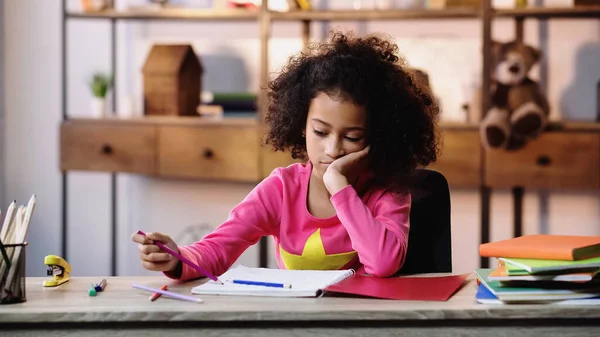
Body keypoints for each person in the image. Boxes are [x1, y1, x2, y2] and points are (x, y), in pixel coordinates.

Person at [131, 30, 440, 281]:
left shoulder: (388, 190)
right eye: (320, 132)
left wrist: (339, 187)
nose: (332, 150)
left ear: (377, 137)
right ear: (300, 125)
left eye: (352, 137)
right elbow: (217, 250)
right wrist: (175, 259)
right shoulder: (281, 189)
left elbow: (384, 263)